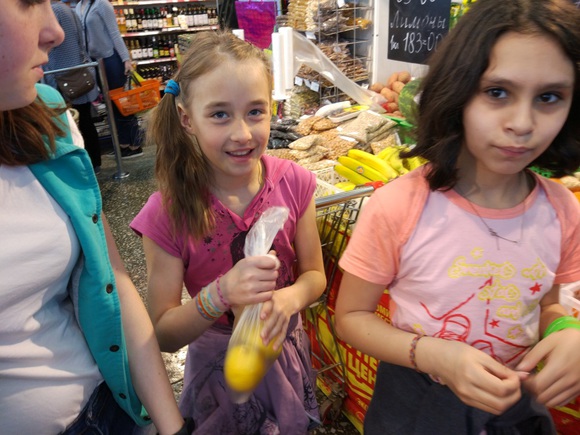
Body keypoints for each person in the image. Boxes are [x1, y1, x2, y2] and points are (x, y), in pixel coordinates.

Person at [334, 0, 580, 433]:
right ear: (457, 90)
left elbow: (545, 303)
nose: (522, 123)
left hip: (513, 404)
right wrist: (434, 354)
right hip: (417, 398)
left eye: (549, 97)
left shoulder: (561, 210)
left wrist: (565, 331)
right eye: (497, 92)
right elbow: (351, 317)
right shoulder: (399, 206)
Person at [0, 1, 191, 433]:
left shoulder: (44, 117)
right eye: (28, 2)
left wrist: (169, 425)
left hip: (107, 407)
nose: (55, 31)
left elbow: (113, 277)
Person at [130, 31, 327, 434]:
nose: (242, 134)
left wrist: (288, 300)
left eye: (255, 111)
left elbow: (314, 275)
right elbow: (164, 334)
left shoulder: (295, 183)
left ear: (272, 109)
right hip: (219, 367)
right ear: (187, 119)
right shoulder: (168, 214)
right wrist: (221, 294)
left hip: (284, 352)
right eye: (220, 115)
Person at [76, 0, 143, 159]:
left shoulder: (102, 4)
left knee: (122, 104)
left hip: (111, 59)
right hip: (95, 61)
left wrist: (126, 59)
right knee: (111, 106)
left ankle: (135, 145)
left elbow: (114, 33)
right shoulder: (79, 6)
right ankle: (123, 144)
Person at [44, 0, 102, 173]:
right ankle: (94, 161)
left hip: (64, 77)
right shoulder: (68, 9)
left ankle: (83, 165)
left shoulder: (54, 11)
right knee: (85, 119)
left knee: (72, 124)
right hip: (78, 73)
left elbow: (51, 45)